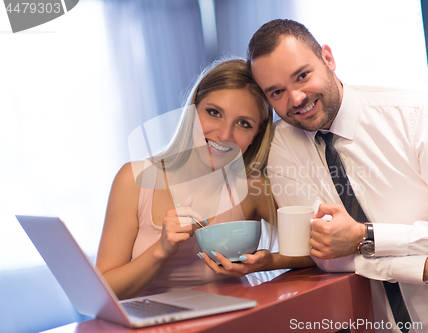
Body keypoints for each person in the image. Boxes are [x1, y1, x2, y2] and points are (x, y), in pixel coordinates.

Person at [246, 19, 428, 332]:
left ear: (328, 58)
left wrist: (365, 236)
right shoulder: (282, 146)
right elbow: (329, 256)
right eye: (277, 92)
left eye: (302, 75)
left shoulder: (417, 114)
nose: (296, 98)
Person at [95, 58, 313, 300]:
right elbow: (103, 291)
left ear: (255, 135)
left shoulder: (251, 188)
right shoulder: (134, 180)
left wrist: (268, 261)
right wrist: (161, 249)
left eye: (243, 124)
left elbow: (318, 252)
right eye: (214, 113)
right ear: (191, 113)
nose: (224, 134)